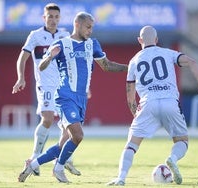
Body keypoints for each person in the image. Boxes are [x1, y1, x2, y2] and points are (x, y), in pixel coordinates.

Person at [17, 11, 128, 183]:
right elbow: (42, 67)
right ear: (77, 24)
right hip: (64, 96)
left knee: (64, 144)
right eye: (88, 27)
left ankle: (32, 165)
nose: (90, 31)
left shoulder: (93, 44)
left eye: (92, 28)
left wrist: (130, 67)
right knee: (78, 135)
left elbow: (107, 66)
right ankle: (58, 169)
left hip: (81, 99)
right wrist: (51, 56)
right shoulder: (61, 43)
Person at [107, 25, 198, 186]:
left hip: (148, 103)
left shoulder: (134, 61)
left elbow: (130, 95)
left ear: (139, 40)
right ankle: (172, 158)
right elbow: (192, 62)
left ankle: (121, 178)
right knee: (182, 141)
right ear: (156, 40)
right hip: (170, 102)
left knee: (131, 145)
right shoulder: (167, 53)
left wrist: (136, 114)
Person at [12, 3, 80, 176]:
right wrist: (21, 77)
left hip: (64, 86)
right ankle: (34, 157)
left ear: (60, 18)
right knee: (48, 118)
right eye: (50, 16)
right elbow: (23, 57)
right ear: (44, 18)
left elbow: (73, 61)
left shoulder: (65, 35)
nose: (53, 20)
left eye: (56, 17)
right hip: (46, 85)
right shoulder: (35, 35)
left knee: (68, 125)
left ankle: (63, 160)